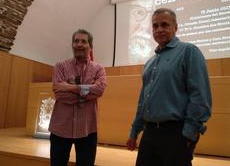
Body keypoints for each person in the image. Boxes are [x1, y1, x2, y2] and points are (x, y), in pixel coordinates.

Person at [126, 8, 212, 166]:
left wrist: (188, 135)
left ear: (176, 27)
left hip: (176, 134)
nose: (159, 29)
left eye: (164, 25)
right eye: (155, 26)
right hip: (150, 133)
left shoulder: (189, 51)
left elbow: (200, 97)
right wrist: (134, 131)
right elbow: (143, 101)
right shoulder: (150, 62)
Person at [49, 29, 107, 166]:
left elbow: (99, 90)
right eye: (76, 41)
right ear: (72, 45)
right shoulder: (60, 66)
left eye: (83, 41)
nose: (79, 44)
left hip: (87, 129)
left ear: (90, 47)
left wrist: (71, 87)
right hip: (60, 128)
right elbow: (60, 94)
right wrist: (87, 92)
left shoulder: (99, 69)